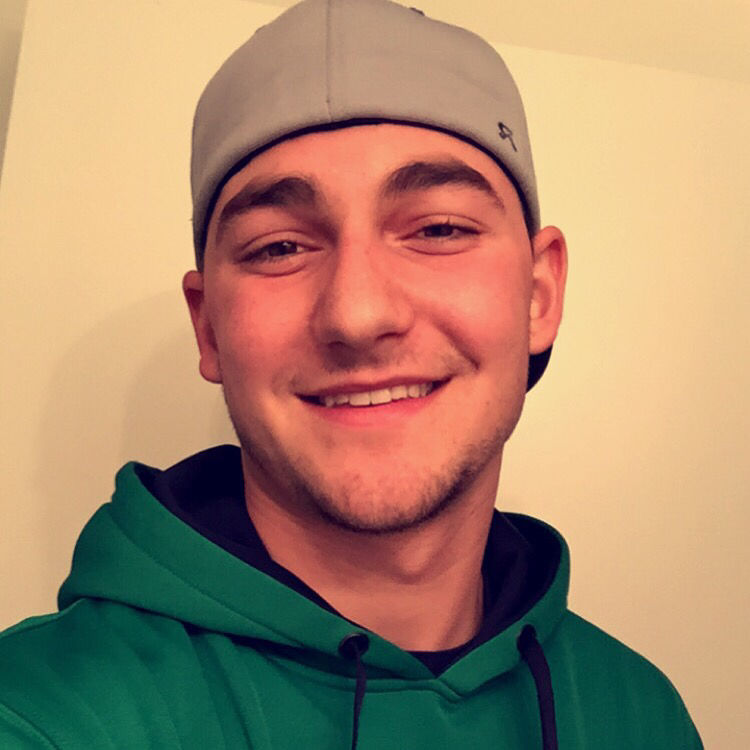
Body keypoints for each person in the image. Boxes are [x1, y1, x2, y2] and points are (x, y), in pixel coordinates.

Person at [0, 0, 702, 747]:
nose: (357, 314)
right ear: (208, 328)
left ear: (538, 295)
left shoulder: (642, 715)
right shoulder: (43, 712)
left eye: (439, 229)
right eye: (278, 248)